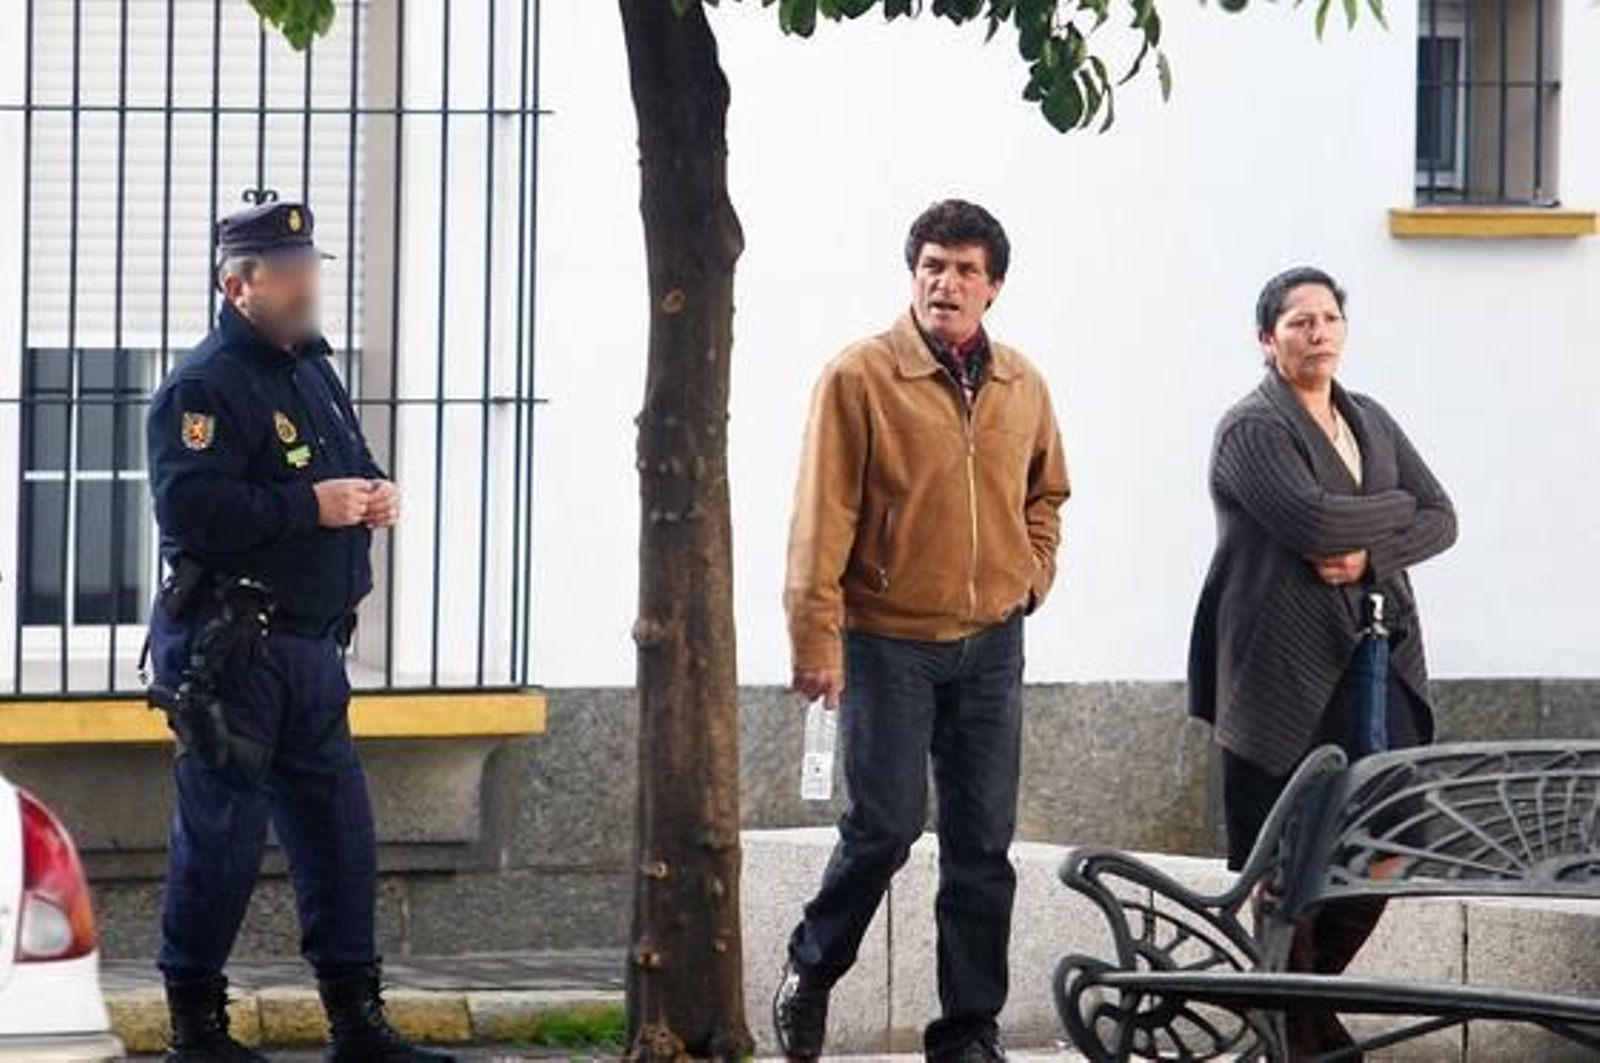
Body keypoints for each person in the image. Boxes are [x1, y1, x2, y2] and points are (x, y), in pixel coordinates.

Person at [144, 194, 451, 1063]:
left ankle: (359, 1023)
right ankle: (197, 1028)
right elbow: (192, 509)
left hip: (314, 650)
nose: (306, 286)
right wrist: (306, 506)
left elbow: (348, 460)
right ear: (239, 286)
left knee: (339, 837)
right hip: (236, 652)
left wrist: (374, 491)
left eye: (310, 269)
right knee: (222, 844)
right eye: (288, 275)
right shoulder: (203, 386)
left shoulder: (311, 367)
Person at [775, 199, 1071, 1062]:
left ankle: (968, 1030)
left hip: (991, 643)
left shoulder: (1023, 383)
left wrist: (1031, 577)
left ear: (994, 287)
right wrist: (814, 638)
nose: (946, 282)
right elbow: (819, 516)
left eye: (966, 269)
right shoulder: (860, 376)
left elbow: (1047, 492)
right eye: (933, 265)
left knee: (982, 846)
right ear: (914, 275)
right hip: (887, 640)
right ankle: (813, 967)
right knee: (885, 826)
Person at [1187, 265, 1457, 1058]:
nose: (1318, 333)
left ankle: (1308, 1000)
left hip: (1379, 653)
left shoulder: (1369, 418)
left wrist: (1370, 544)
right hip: (1281, 666)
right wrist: (1392, 513)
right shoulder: (1251, 429)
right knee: (1288, 850)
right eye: (1299, 322)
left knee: (1394, 832)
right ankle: (1298, 1023)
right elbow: (1308, 519)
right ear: (1267, 339)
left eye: (1330, 318)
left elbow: (1441, 514)